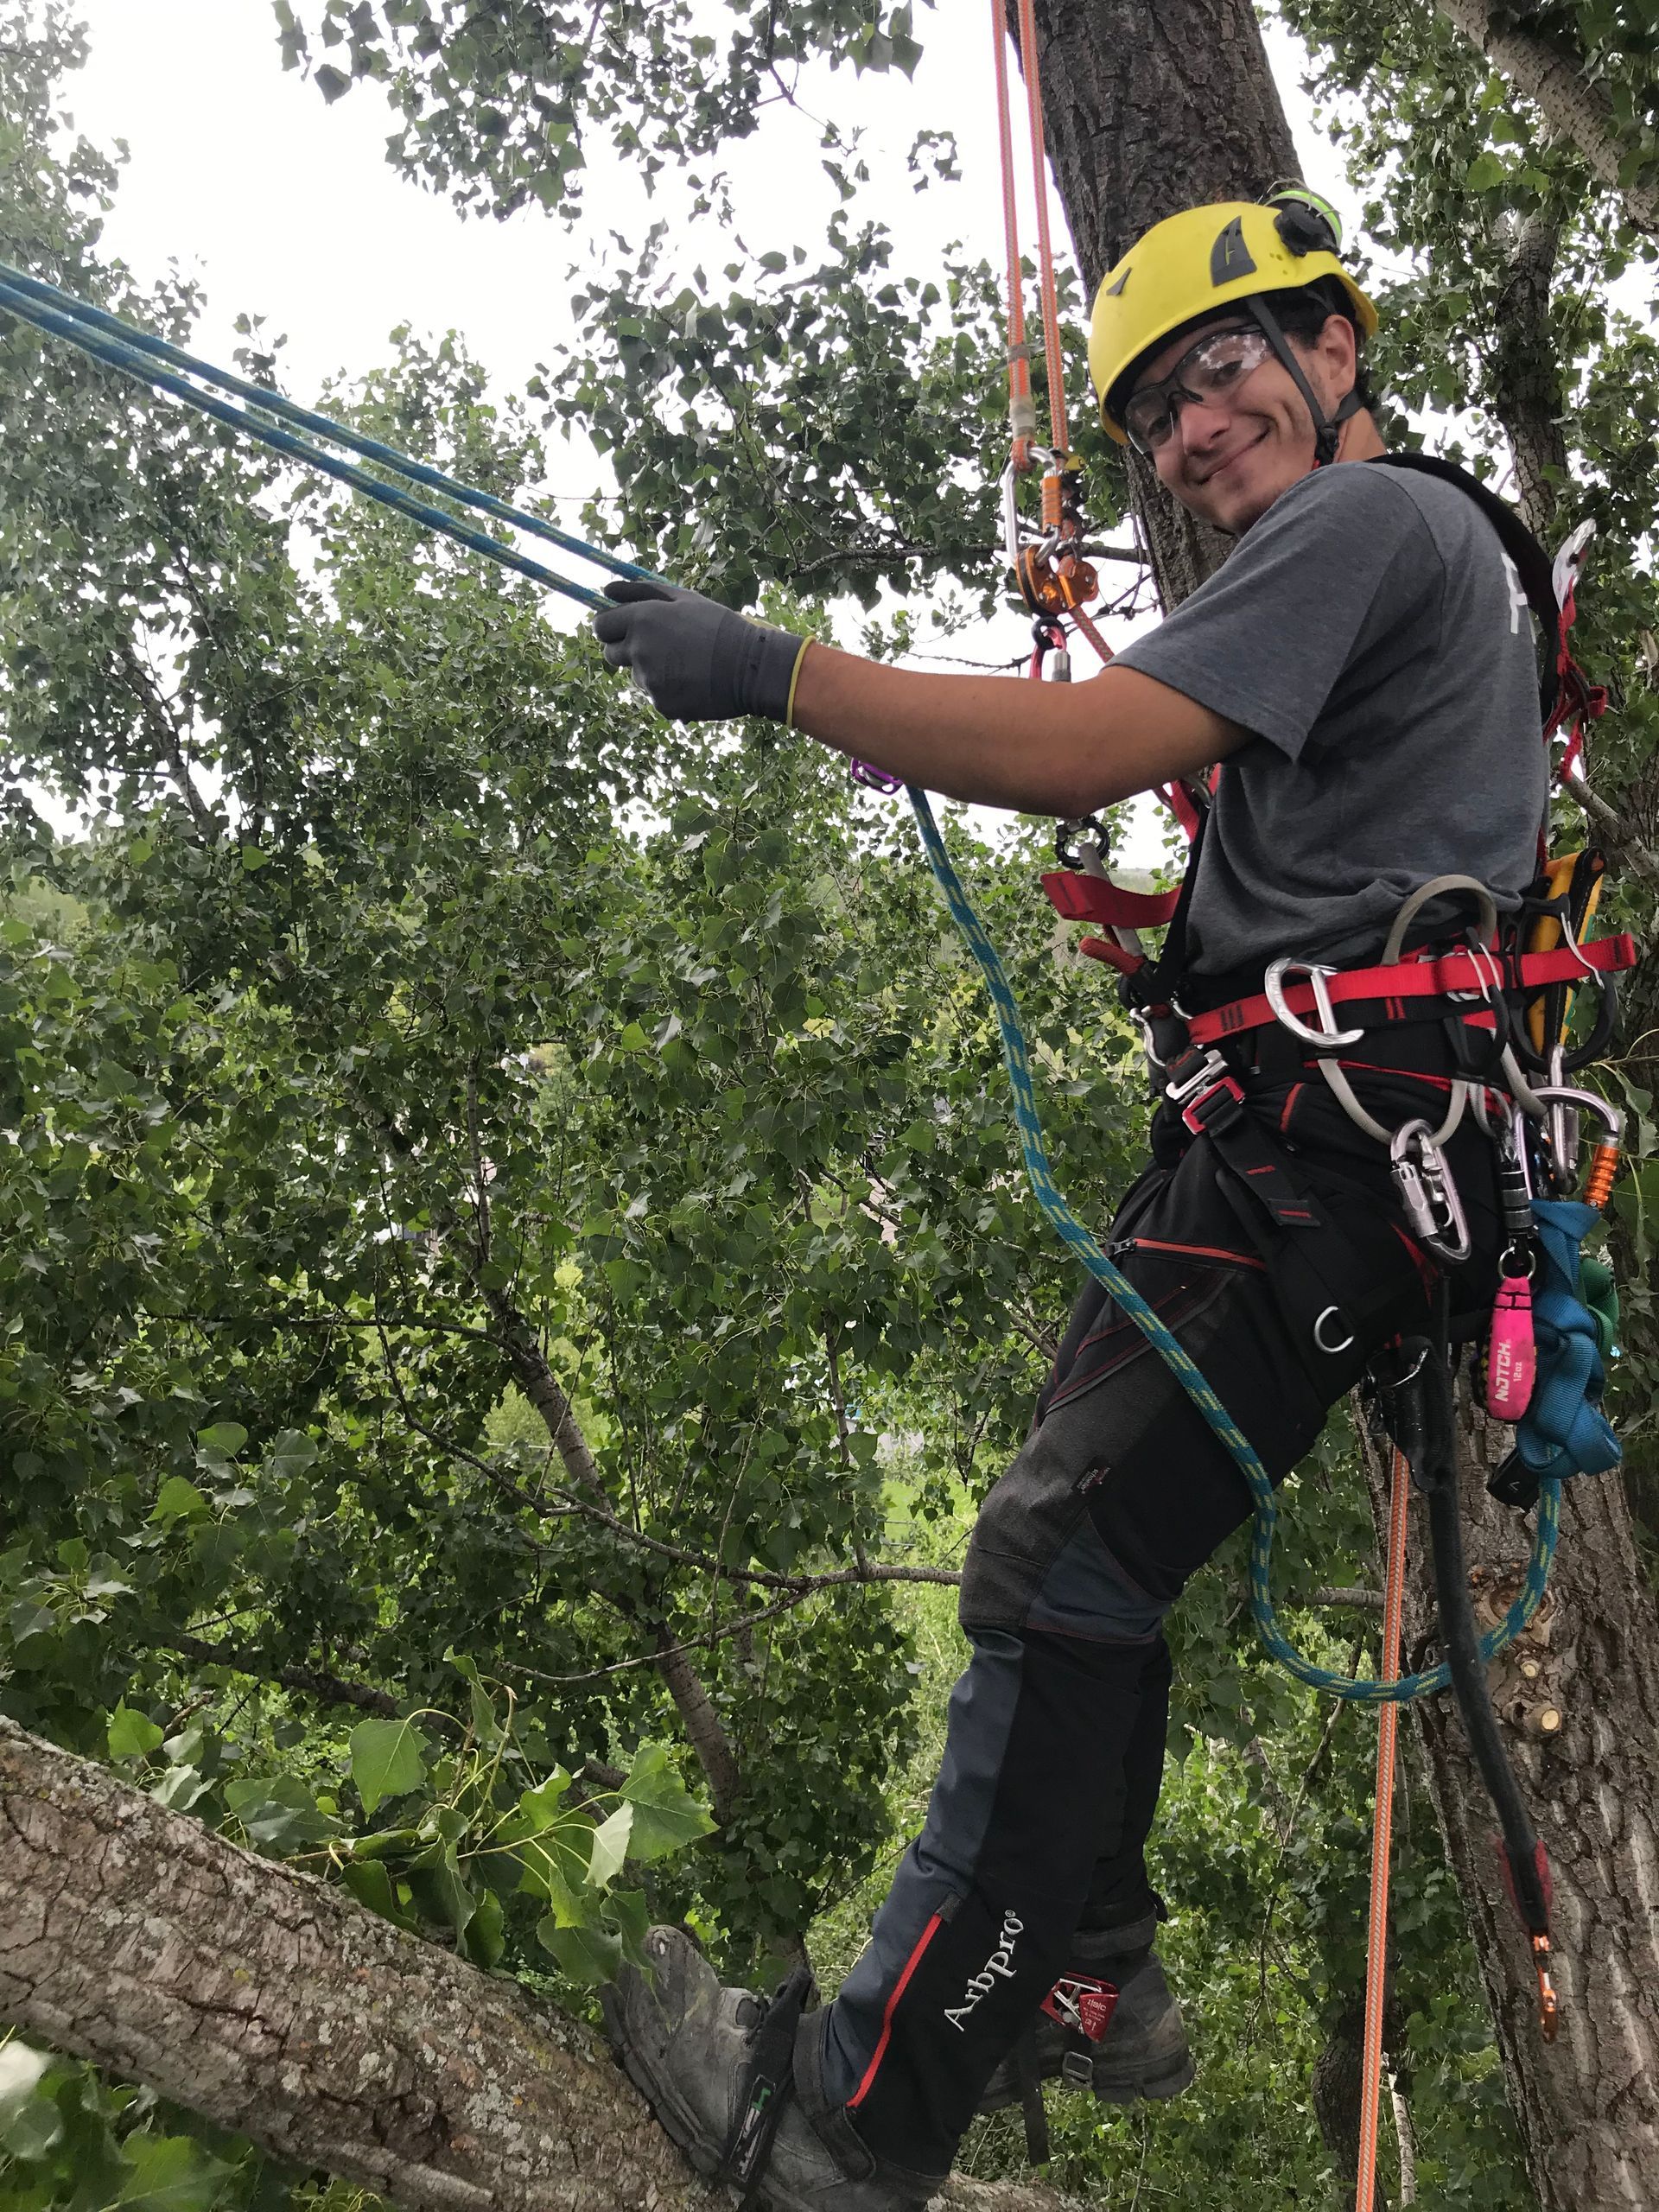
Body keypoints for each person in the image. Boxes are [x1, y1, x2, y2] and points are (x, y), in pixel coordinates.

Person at [591, 194, 1548, 2212]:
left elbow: (1083, 748)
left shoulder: (1369, 522)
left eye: (1220, 369)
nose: (1191, 433)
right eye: (1155, 417)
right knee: (1075, 1534)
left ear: (1336, 345)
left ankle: (859, 2119)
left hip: (1323, 1157)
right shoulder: (1420, 557)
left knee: (1055, 1559)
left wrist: (778, 671)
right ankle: (1087, 1965)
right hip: (1302, 1151)